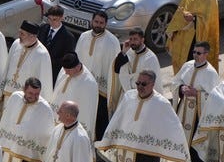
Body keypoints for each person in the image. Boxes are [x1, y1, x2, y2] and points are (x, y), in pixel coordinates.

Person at [97, 70, 195, 162]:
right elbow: (119, 118)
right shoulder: (129, 97)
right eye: (138, 83)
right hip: (128, 149)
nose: (140, 87)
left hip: (150, 151)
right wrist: (110, 139)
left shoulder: (161, 103)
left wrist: (180, 151)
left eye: (144, 84)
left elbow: (173, 127)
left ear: (152, 84)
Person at [173, 41, 222, 162]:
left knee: (197, 140)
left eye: (198, 53)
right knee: (183, 137)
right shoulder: (187, 65)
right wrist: (181, 88)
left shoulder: (211, 73)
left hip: (200, 112)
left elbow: (215, 97)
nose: (195, 55)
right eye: (194, 52)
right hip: (184, 109)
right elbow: (176, 81)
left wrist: (197, 94)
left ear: (206, 54)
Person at [77, 11, 122, 139]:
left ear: (105, 24)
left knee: (100, 117)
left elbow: (115, 66)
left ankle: (99, 144)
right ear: (92, 21)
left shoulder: (112, 41)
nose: (98, 25)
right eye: (96, 22)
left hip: (101, 89)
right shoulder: (83, 36)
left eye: (101, 23)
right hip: (83, 84)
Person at [0, 22, 51, 127]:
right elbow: (7, 66)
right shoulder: (16, 44)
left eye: (22, 34)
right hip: (8, 94)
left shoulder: (42, 54)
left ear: (32, 36)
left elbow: (44, 82)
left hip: (26, 99)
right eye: (20, 32)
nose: (19, 36)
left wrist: (39, 106)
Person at [167, 0, 220, 68]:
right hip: (183, 33)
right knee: (180, 61)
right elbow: (182, 7)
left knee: (190, 63)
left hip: (195, 37)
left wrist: (194, 18)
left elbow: (208, 22)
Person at [111, 28, 162, 112]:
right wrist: (123, 51)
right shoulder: (129, 52)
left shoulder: (150, 58)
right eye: (130, 39)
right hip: (127, 95)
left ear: (142, 40)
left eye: (135, 39)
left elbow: (154, 83)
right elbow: (117, 69)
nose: (132, 42)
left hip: (143, 97)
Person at [51, 52, 99, 133]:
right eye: (65, 70)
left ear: (77, 67)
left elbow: (86, 110)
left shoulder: (89, 83)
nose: (66, 73)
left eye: (68, 70)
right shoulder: (65, 70)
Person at [38, 7, 77, 81]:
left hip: (54, 73)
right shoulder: (43, 28)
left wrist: (48, 61)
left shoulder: (68, 37)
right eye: (49, 19)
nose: (51, 22)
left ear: (62, 18)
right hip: (38, 67)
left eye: (54, 19)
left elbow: (67, 58)